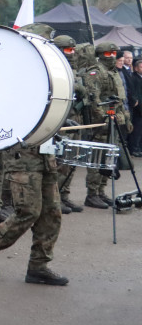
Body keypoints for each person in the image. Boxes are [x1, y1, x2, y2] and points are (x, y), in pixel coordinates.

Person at [0, 24, 69, 286]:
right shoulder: (10, 78)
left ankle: (39, 266)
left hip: (44, 151)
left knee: (51, 213)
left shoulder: (44, 75)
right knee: (28, 210)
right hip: (22, 154)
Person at [83, 41, 131, 209]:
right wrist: (104, 117)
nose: (112, 57)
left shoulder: (113, 72)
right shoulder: (96, 72)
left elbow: (120, 99)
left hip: (115, 119)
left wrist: (126, 117)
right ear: (101, 54)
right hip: (101, 122)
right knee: (98, 157)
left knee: (109, 157)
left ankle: (101, 191)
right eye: (109, 54)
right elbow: (93, 100)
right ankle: (92, 193)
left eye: (114, 54)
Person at [53, 35, 86, 212]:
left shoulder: (74, 70)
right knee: (59, 161)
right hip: (60, 122)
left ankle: (64, 194)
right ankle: (55, 197)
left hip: (75, 119)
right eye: (68, 50)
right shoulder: (54, 70)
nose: (72, 53)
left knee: (72, 159)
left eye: (73, 50)